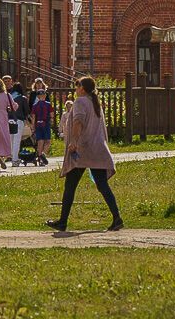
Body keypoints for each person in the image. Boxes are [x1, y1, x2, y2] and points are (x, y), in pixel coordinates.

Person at [48, 75, 124, 233]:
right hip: (97, 150)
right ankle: (117, 218)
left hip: (82, 150)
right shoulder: (94, 103)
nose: (75, 89)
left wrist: (74, 142)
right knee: (102, 185)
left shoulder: (80, 101)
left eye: (77, 86)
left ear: (82, 88)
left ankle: (62, 222)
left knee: (70, 186)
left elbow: (78, 122)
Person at [31, 80, 54, 165]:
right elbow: (51, 114)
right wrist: (51, 120)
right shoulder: (48, 104)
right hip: (45, 123)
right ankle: (43, 154)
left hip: (38, 124)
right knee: (47, 141)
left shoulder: (35, 106)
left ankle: (40, 158)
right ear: (44, 95)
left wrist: (33, 127)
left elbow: (33, 117)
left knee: (40, 141)